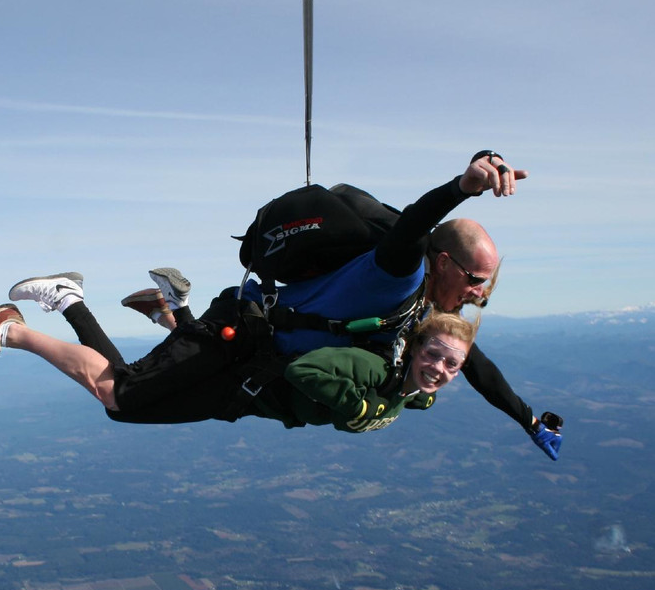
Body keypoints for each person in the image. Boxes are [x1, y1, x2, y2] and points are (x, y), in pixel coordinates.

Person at [117, 151, 562, 460]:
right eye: (476, 281)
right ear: (444, 263)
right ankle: (96, 304)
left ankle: (165, 310)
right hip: (248, 337)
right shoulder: (400, 273)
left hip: (261, 357)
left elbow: (475, 365)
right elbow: (413, 226)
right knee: (129, 401)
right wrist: (462, 186)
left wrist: (529, 421)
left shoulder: (426, 314)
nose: (479, 296)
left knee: (146, 400)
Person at [0, 275, 478, 434]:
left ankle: (136, 309)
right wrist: (353, 406)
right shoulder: (374, 370)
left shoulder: (413, 396)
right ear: (414, 349)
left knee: (122, 392)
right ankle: (13, 331)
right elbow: (304, 371)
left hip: (239, 393)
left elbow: (447, 378)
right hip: (238, 380)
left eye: (451, 366)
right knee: (118, 396)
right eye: (434, 356)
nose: (439, 369)